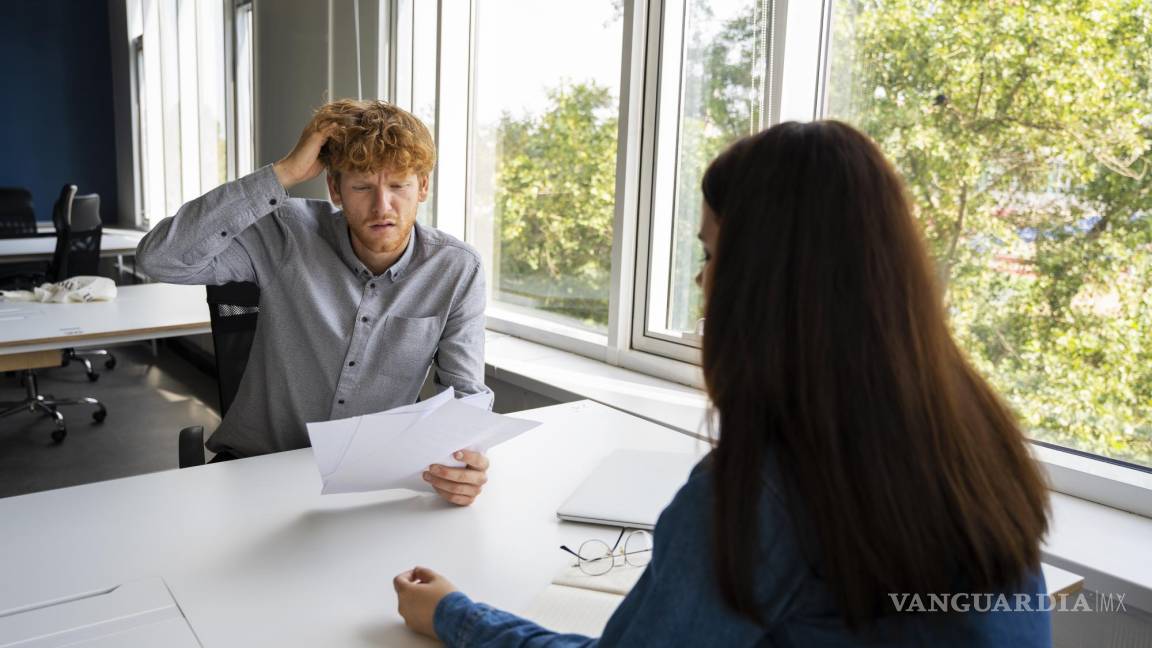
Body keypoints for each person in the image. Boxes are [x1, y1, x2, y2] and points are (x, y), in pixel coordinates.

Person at [392, 121, 1053, 644]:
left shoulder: (759, 489)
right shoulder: (974, 431)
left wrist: (455, 615)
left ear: (768, 281)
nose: (703, 281)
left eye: (711, 253)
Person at [137, 100, 493, 506]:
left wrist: (468, 461)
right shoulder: (287, 232)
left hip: (367, 482)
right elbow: (160, 259)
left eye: (398, 185)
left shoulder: (456, 269)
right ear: (335, 189)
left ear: (423, 187)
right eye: (361, 186)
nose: (382, 207)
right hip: (256, 470)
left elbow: (465, 393)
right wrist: (283, 174)